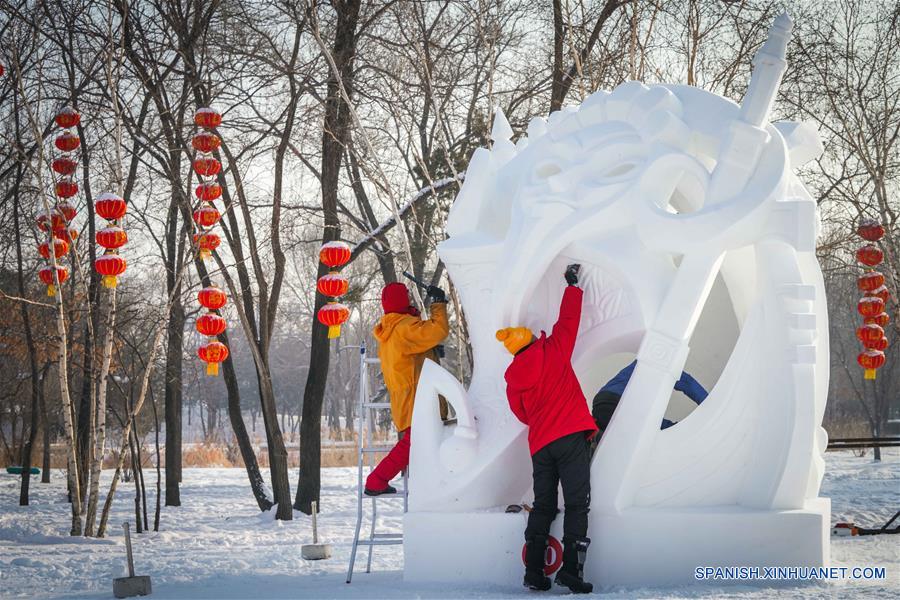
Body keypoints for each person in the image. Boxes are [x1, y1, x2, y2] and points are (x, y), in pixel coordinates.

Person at [496, 264, 597, 594]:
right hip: (570, 437)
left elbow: (522, 414)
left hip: (540, 445)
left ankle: (534, 572)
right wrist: (572, 285)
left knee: (544, 506)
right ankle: (571, 571)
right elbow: (569, 321)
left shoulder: (512, 381)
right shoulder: (552, 350)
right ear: (532, 340)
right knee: (577, 504)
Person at [363, 281, 449, 496]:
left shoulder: (390, 329)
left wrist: (430, 348)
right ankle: (376, 480)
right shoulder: (404, 327)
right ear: (402, 300)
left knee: (415, 445)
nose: (410, 299)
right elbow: (439, 330)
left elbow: (414, 352)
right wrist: (438, 304)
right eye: (407, 296)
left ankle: (380, 481)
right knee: (410, 447)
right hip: (418, 400)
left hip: (405, 399)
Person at [592, 360, 708, 440]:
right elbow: (688, 383)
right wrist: (710, 404)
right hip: (621, 405)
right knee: (660, 429)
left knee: (651, 427)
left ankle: (595, 436)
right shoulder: (663, 364)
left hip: (602, 402)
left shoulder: (643, 360)